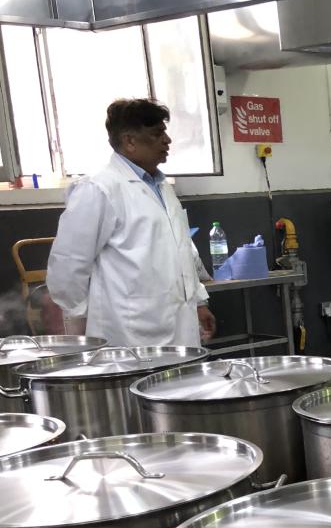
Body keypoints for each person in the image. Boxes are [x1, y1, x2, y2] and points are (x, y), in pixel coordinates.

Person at [48, 98, 215, 347]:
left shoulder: (161, 187)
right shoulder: (99, 188)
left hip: (180, 328)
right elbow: (68, 266)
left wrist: (199, 302)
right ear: (129, 141)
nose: (167, 140)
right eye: (157, 133)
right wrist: (80, 322)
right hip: (129, 333)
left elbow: (182, 249)